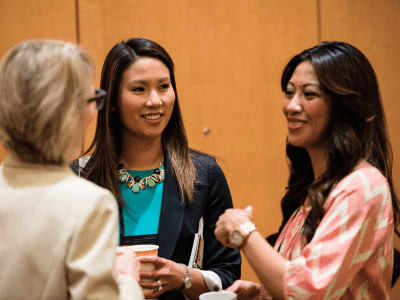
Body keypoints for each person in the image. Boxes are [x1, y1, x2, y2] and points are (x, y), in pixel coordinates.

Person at [214, 41, 399, 299]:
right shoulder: (317, 186)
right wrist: (262, 292)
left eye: (308, 94)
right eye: (289, 93)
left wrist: (243, 232)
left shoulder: (362, 185)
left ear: (344, 105)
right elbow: (306, 278)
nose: (291, 106)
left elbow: (309, 291)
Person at [72, 37, 241, 300]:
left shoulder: (205, 174)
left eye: (164, 86)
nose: (155, 101)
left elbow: (228, 273)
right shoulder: (79, 177)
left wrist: (183, 277)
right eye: (139, 89)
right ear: (113, 100)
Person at [0, 40, 143, 300]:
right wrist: (127, 281)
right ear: (63, 111)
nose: (92, 111)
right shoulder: (87, 205)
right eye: (92, 99)